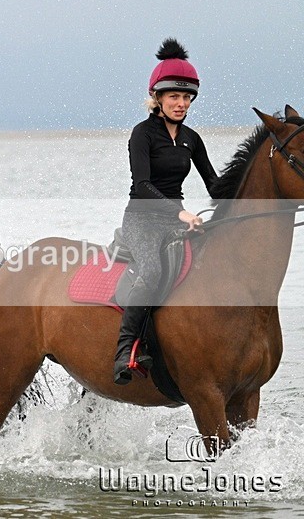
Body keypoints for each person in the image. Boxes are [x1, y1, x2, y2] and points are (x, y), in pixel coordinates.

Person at [113, 38, 218, 385]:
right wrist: (181, 213)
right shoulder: (142, 135)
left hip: (176, 222)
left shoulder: (191, 138)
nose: (181, 103)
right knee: (154, 271)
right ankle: (125, 350)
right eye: (174, 96)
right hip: (143, 219)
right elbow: (142, 185)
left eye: (187, 97)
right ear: (157, 97)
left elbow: (215, 186)